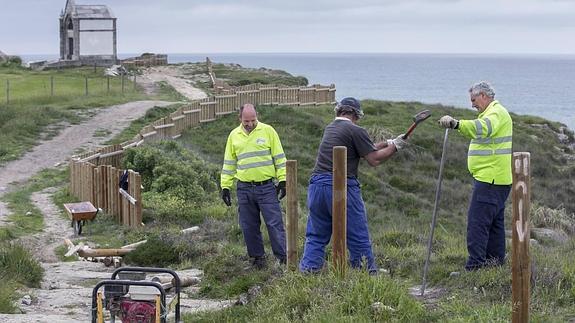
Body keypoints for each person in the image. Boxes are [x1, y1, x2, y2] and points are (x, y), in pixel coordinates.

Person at [299, 97, 407, 274]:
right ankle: (367, 273)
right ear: (356, 115)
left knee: (317, 235)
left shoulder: (331, 127)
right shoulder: (355, 129)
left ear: (339, 111)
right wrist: (396, 147)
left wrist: (389, 142)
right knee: (357, 233)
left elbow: (367, 147)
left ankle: (308, 272)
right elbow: (374, 158)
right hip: (341, 186)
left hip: (317, 185)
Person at [438, 81, 513, 271]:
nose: (472, 104)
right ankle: (494, 264)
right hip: (497, 179)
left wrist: (456, 124)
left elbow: (482, 128)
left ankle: (475, 267)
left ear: (484, 96)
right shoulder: (494, 112)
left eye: (474, 100)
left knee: (477, 224)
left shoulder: (495, 113)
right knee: (494, 224)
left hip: (490, 179)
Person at [220, 103, 287, 269]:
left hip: (266, 187)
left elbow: (279, 157)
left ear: (257, 116)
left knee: (274, 224)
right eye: (246, 121)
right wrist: (225, 187)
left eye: (253, 120)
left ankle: (283, 259)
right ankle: (258, 259)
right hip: (244, 188)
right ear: (240, 118)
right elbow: (229, 163)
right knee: (249, 225)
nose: (250, 124)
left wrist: (283, 180)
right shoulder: (233, 136)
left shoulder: (268, 131)